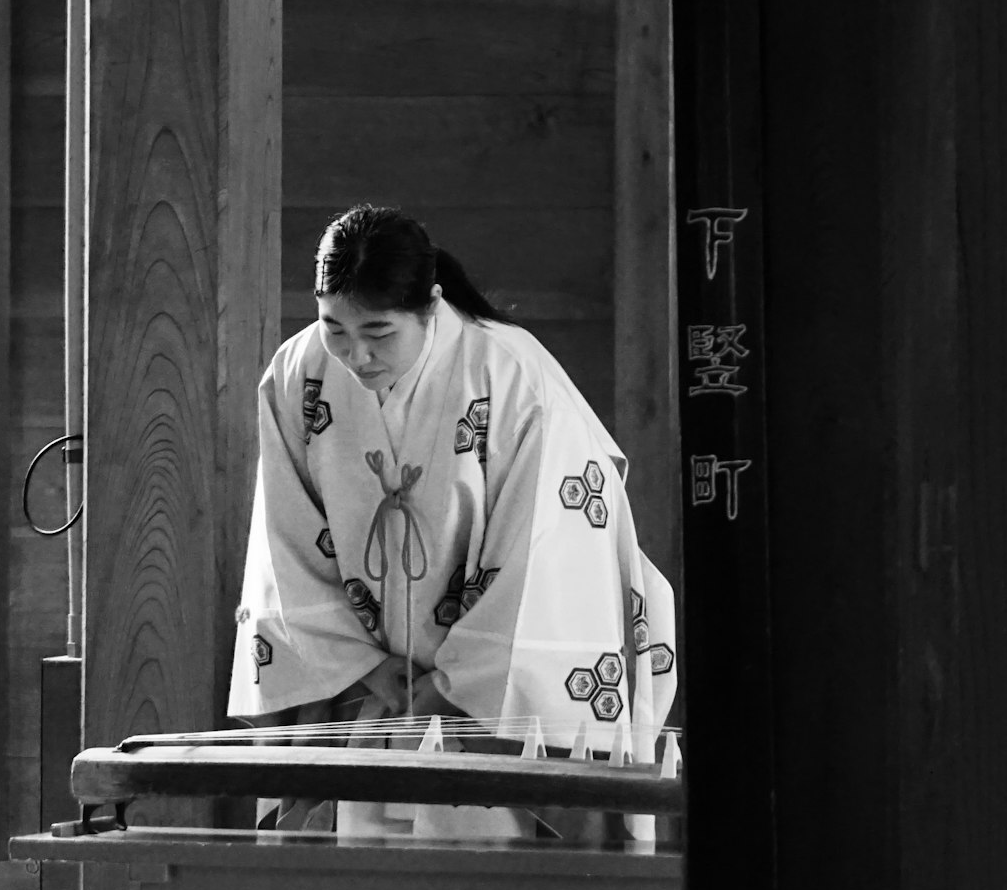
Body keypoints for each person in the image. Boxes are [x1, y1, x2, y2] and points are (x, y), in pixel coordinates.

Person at [227, 205, 678, 838]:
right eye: (335, 328)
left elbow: (550, 546)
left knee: (486, 868)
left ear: (431, 305)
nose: (357, 354)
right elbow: (284, 538)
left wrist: (452, 682)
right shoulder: (299, 371)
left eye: (379, 332)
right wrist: (362, 666)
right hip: (361, 693)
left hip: (491, 708)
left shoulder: (510, 372)